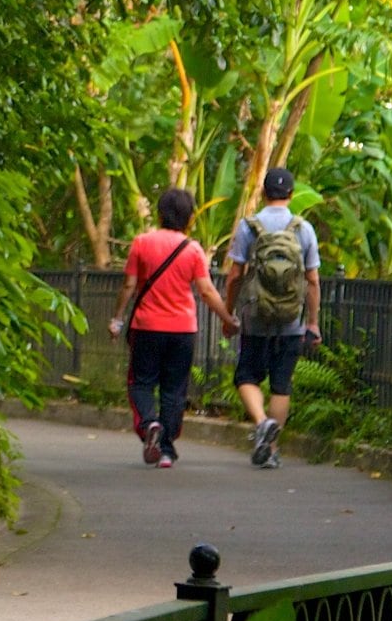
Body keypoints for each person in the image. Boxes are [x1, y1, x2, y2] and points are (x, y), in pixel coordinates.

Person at [107, 187, 236, 469]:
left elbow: (129, 285)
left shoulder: (141, 243)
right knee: (174, 390)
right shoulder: (192, 249)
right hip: (183, 331)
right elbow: (206, 291)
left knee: (141, 383)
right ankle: (166, 450)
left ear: (159, 213)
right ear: (189, 218)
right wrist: (227, 318)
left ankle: (150, 424)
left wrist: (117, 318)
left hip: (147, 328)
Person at [224, 166, 321, 469]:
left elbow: (235, 275)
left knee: (246, 377)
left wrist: (228, 311)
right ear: (291, 194)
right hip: (291, 321)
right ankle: (273, 449)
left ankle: (261, 422)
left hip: (255, 318)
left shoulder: (248, 226)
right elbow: (313, 280)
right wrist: (313, 322)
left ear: (264, 193)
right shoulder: (303, 228)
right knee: (281, 384)